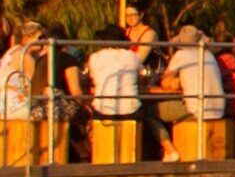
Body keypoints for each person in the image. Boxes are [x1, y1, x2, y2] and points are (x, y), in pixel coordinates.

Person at [161, 23, 226, 159]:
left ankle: (169, 150)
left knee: (152, 111)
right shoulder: (208, 54)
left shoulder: (181, 55)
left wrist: (175, 82)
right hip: (219, 109)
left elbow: (165, 81)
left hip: (197, 110)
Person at [84, 22, 147, 162]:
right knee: (147, 112)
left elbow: (94, 80)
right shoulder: (132, 56)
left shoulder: (95, 57)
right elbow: (140, 79)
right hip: (131, 109)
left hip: (103, 109)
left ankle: (93, 157)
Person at [0, 19, 48, 165]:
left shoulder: (11, 52)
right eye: (40, 38)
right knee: (53, 110)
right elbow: (34, 88)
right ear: (27, 37)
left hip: (0, 105)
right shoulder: (26, 57)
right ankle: (45, 156)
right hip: (17, 108)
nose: (43, 42)